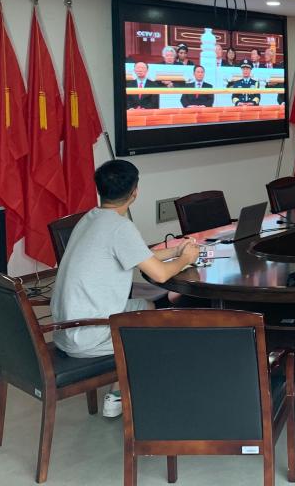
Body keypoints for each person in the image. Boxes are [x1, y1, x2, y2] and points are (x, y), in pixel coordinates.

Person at [50, 160, 200, 417]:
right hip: (89, 335)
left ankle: (120, 387)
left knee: (148, 306)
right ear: (135, 192)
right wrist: (186, 259)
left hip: (67, 327)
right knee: (164, 325)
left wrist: (176, 251)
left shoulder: (90, 218)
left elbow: (139, 255)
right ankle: (131, 395)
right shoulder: (120, 228)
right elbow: (160, 274)